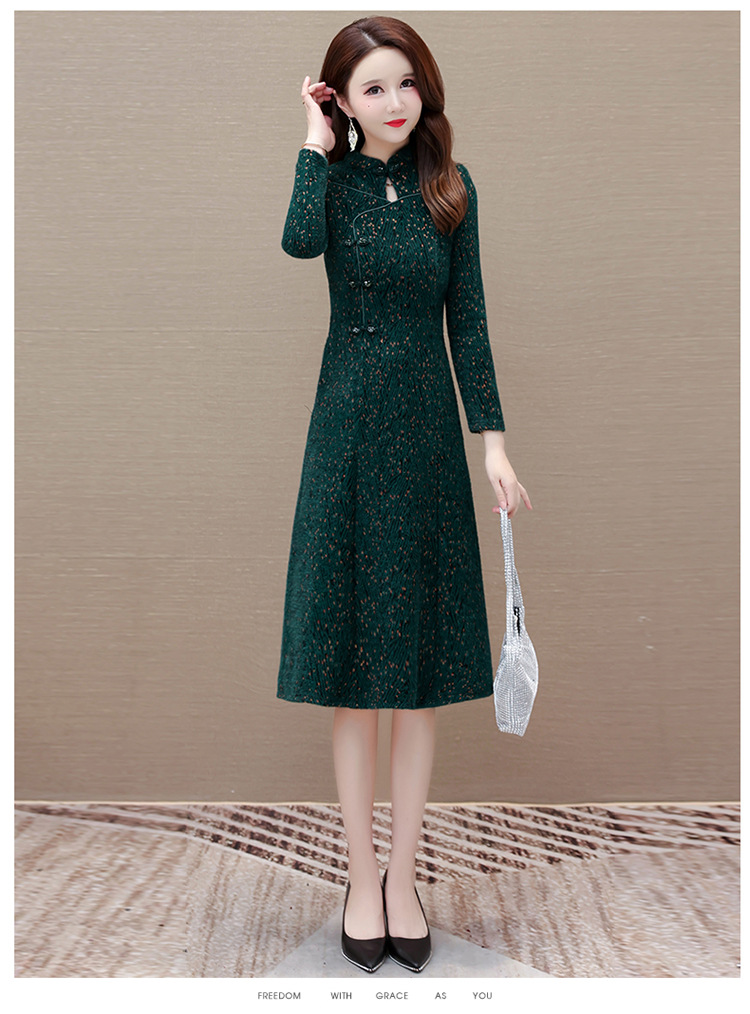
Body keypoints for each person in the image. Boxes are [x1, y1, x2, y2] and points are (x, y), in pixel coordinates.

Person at [276, 16, 532, 974]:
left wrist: (492, 444)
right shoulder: (333, 183)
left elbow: (471, 323)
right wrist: (314, 145)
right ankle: (357, 877)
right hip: (345, 435)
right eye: (372, 88)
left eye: (406, 83)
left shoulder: (451, 189)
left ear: (426, 87)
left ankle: (403, 877)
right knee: (354, 677)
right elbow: (298, 243)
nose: (394, 102)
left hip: (425, 442)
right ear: (345, 101)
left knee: (417, 680)